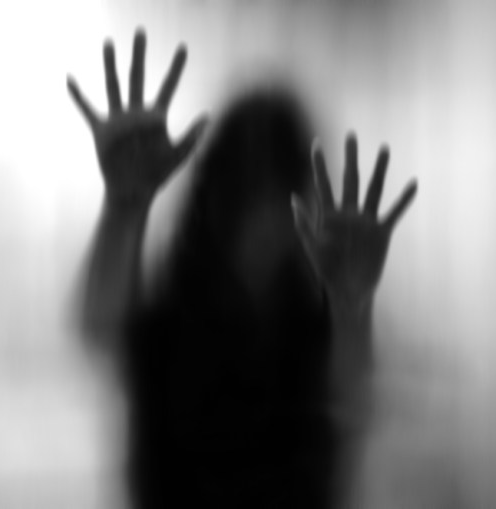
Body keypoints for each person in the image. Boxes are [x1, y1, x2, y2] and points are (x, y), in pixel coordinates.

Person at [67, 28, 417, 509]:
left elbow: (352, 404)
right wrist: (124, 208)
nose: (265, 216)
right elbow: (100, 330)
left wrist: (352, 306)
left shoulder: (313, 319)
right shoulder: (172, 316)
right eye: (250, 188)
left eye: (280, 190)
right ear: (215, 194)